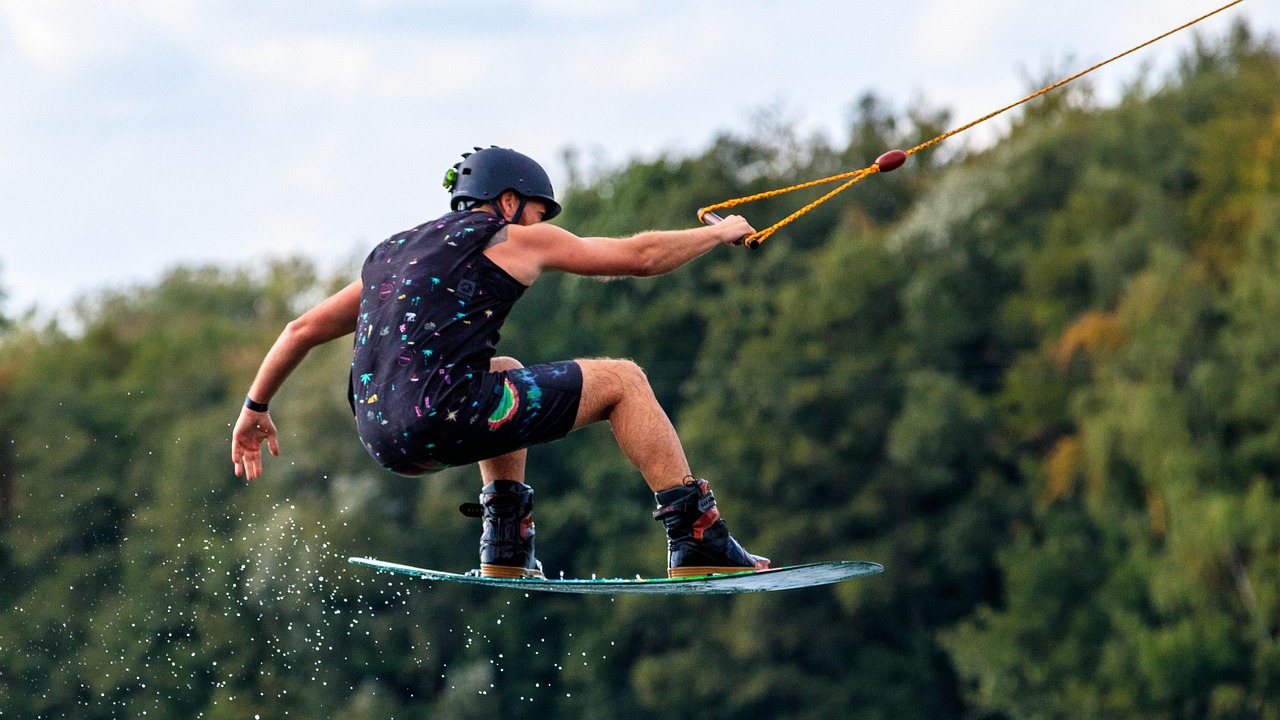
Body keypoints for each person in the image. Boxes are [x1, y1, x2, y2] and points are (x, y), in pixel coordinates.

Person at [231, 146, 769, 579]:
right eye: (538, 212)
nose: (540, 225)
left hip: (381, 438)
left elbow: (299, 329)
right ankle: (698, 537)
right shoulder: (507, 237)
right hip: (443, 415)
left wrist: (255, 406)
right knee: (624, 380)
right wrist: (718, 233)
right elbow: (640, 258)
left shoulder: (392, 254)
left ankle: (506, 543)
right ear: (509, 201)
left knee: (503, 371)